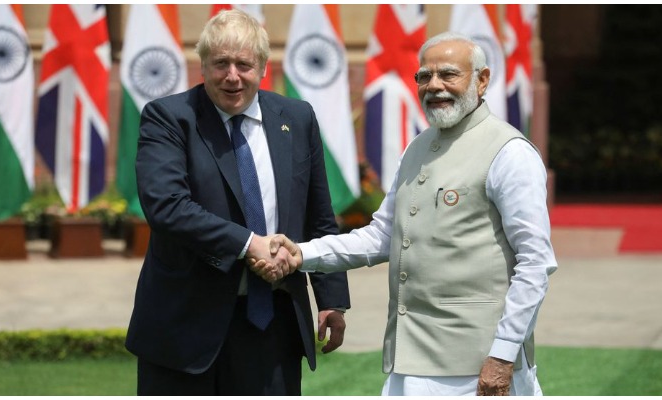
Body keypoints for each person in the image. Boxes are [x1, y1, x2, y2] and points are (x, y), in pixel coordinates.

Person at [253, 32, 557, 396]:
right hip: (409, 360)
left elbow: (535, 263)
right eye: (424, 77)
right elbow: (382, 236)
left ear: (482, 79)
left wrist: (504, 355)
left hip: (477, 366)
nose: (435, 86)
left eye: (448, 75)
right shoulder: (418, 147)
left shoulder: (510, 152)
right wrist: (302, 254)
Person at [125, 9, 350, 396]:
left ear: (263, 67)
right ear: (203, 66)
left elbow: (318, 216)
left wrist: (331, 299)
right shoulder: (169, 118)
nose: (232, 76)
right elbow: (166, 206)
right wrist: (250, 244)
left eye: (244, 64)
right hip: (184, 328)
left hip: (273, 326)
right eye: (221, 64)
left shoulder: (297, 118)